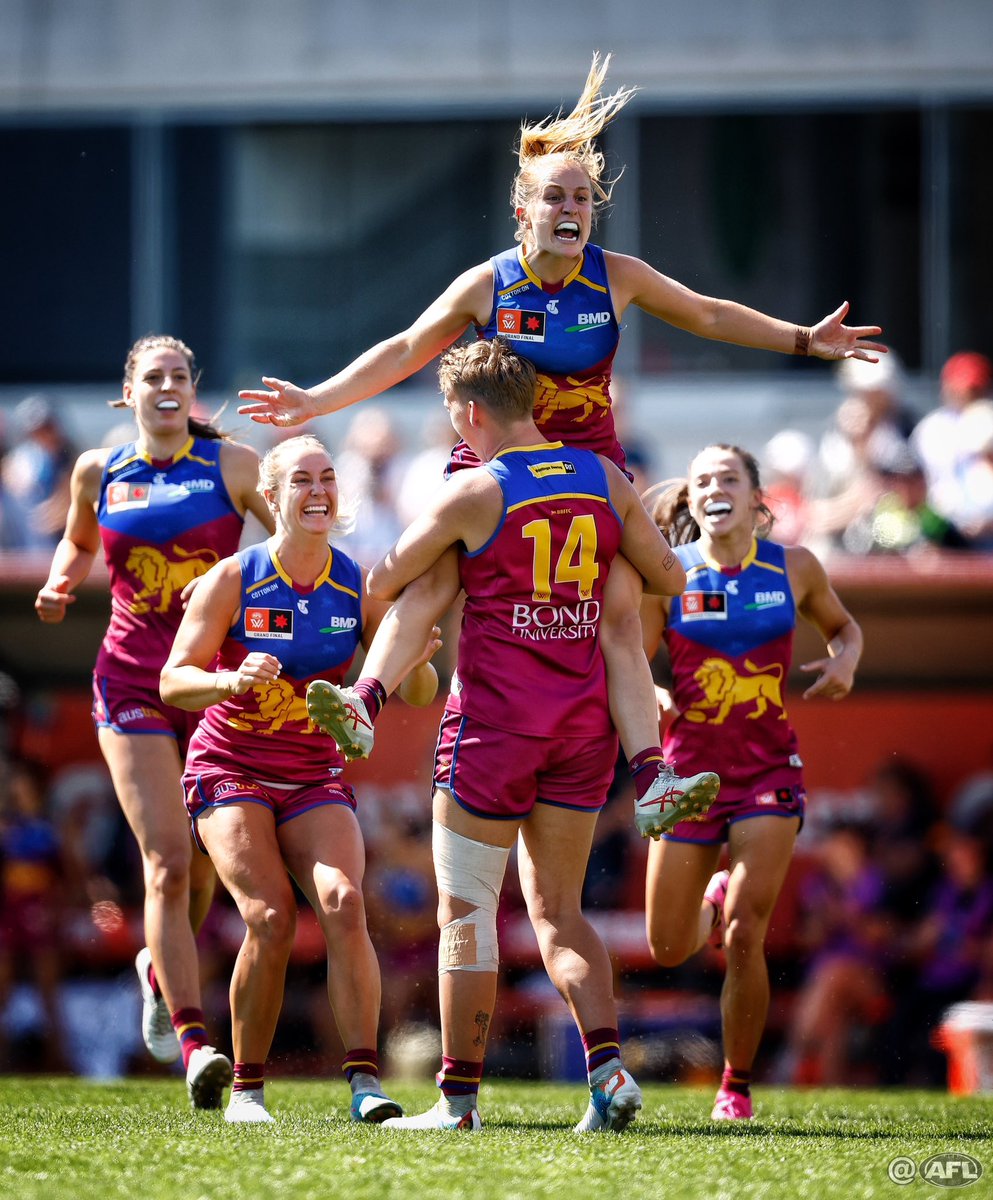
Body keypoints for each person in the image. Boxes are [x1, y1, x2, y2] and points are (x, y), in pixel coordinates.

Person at [238, 54, 884, 835]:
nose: (570, 207)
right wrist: (319, 399)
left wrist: (804, 341)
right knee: (433, 579)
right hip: (496, 465)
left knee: (619, 615)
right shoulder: (488, 284)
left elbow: (709, 315)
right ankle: (363, 701)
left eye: (582, 197)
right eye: (554, 196)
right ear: (525, 212)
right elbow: (408, 345)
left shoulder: (615, 277)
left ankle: (650, 779)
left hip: (591, 472)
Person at [361, 338, 689, 1133]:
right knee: (560, 915)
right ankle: (607, 1073)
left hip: (492, 731)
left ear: (472, 412)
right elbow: (672, 578)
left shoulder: (475, 490)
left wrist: (447, 568)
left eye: (452, 419)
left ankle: (458, 1102)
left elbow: (385, 578)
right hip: (581, 732)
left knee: (466, 913)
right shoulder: (606, 479)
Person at [159, 433, 440, 1124]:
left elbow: (415, 688)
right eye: (301, 481)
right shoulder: (236, 577)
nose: (318, 492)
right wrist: (229, 678)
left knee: (345, 904)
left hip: (312, 772)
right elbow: (173, 680)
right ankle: (247, 1090)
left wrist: (418, 657)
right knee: (269, 916)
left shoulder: (357, 581)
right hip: (231, 767)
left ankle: (365, 1084)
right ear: (274, 496)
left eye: (327, 479)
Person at [34, 334, 275, 1108]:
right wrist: (60, 581)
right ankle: (197, 1041)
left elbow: (294, 547)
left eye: (179, 376)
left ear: (192, 389)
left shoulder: (234, 465)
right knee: (167, 861)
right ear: (127, 392)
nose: (167, 387)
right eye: (153, 377)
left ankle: (154, 966)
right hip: (132, 679)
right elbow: (76, 542)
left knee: (201, 864)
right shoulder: (98, 471)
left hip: (212, 682)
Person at [639, 443, 863, 1120]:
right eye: (702, 478)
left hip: (769, 772)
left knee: (745, 934)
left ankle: (735, 1086)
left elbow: (843, 627)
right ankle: (710, 892)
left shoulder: (793, 567)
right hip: (686, 778)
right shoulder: (666, 576)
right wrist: (651, 694)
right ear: (693, 497)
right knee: (668, 945)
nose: (714, 487)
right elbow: (630, 660)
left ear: (754, 496)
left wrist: (844, 660)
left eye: (728, 478)